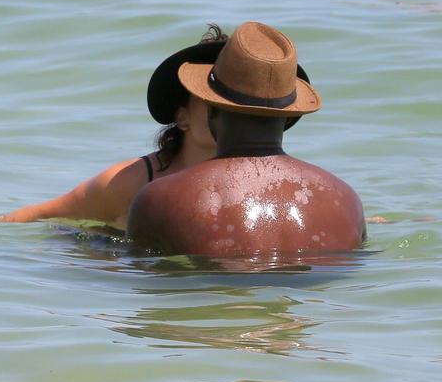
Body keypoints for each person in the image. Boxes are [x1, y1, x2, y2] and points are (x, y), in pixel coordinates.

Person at [127, 21, 367, 256]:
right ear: (288, 117)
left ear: (211, 109)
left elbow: (144, 281)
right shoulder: (347, 201)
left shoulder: (159, 200)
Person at [0, 26, 228, 229]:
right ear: (182, 118)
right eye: (212, 102)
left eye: (235, 103)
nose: (228, 112)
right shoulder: (127, 181)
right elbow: (41, 214)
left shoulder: (256, 176)